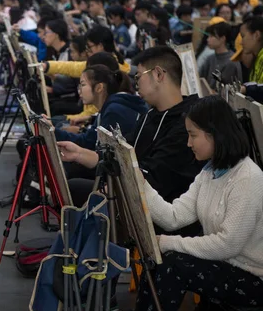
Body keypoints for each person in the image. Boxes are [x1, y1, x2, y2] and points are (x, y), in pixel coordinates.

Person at [107, 95, 263, 311]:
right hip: (228, 266)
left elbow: (228, 244)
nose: (188, 143)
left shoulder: (248, 179)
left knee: (172, 262)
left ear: (215, 134)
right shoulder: (210, 171)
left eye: (193, 135)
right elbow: (174, 216)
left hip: (253, 279)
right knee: (157, 256)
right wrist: (140, 183)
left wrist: (169, 242)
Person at [58, 46, 204, 218]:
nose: (136, 83)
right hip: (135, 194)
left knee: (76, 188)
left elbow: (155, 178)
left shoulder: (187, 123)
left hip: (160, 210)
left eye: (139, 76)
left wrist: (109, 190)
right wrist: (79, 154)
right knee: (75, 179)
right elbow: (121, 153)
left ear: (158, 74)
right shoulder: (150, 115)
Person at [199, 21, 242, 88]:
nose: (208, 39)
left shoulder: (231, 62)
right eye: (208, 36)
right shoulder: (210, 58)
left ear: (222, 39)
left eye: (212, 36)